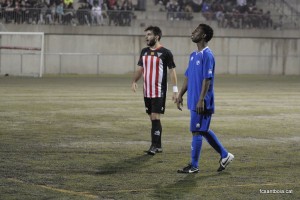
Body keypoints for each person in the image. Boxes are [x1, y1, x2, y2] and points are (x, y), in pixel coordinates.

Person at [176, 24, 234, 173]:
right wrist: (180, 94)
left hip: (202, 101)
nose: (193, 32)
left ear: (203, 36)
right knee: (203, 129)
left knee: (197, 131)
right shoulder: (193, 55)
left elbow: (207, 79)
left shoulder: (207, 55)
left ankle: (194, 166)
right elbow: (188, 76)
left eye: (196, 31)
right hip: (194, 100)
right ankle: (225, 155)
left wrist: (201, 99)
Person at [132, 26, 178, 155]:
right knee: (153, 119)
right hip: (147, 91)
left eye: (149, 34)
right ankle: (158, 145)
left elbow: (172, 71)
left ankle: (153, 146)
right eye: (146, 34)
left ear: (157, 37)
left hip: (159, 91)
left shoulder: (166, 53)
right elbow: (140, 69)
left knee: (155, 117)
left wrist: (175, 90)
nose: (146, 37)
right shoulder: (144, 51)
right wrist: (134, 81)